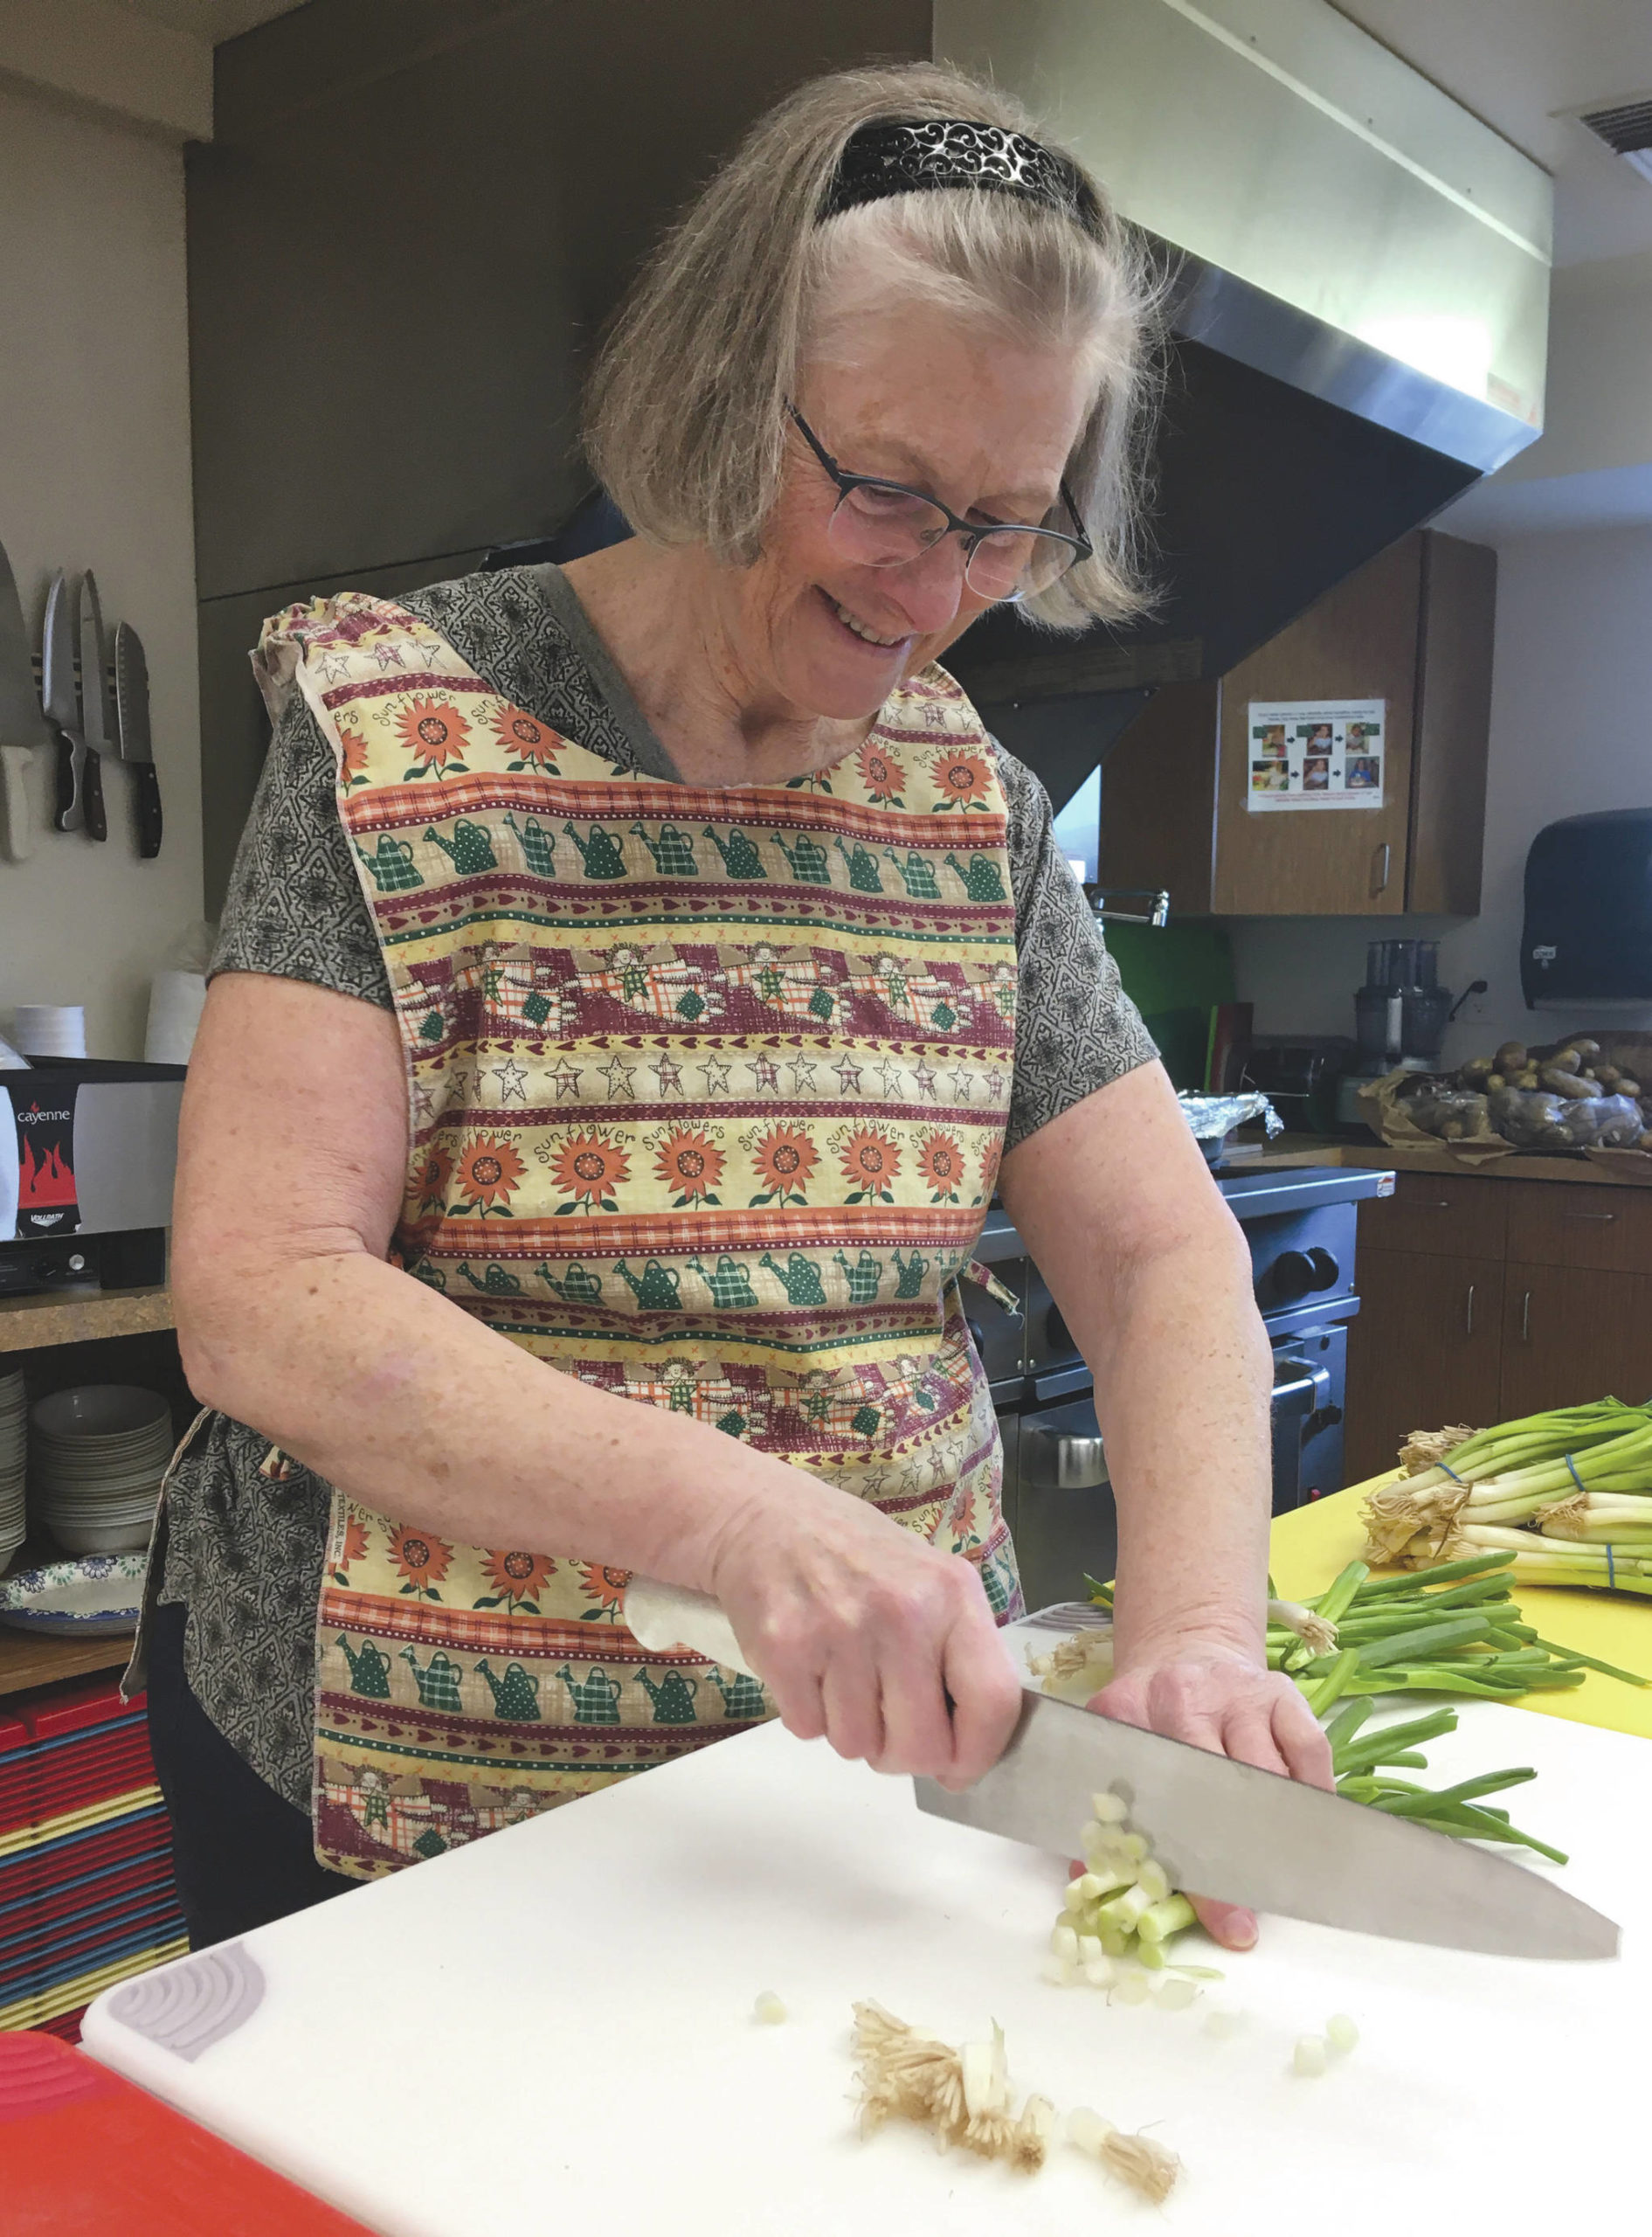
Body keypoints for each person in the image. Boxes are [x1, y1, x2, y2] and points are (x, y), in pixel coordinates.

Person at [143, 62, 1330, 1952]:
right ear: (715, 387)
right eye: (883, 487)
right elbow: (263, 1292)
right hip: (407, 1780)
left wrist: (1192, 1634)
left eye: (1006, 522)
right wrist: (743, 1520)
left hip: (855, 1788)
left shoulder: (973, 802)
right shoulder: (398, 727)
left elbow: (1161, 1258)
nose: (935, 590)